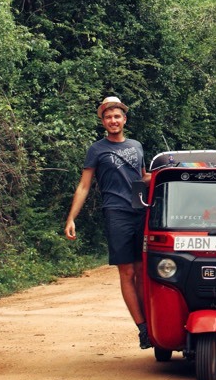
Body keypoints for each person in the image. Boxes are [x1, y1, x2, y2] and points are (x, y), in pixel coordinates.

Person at [64, 96, 152, 349]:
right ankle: (143, 328)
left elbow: (143, 177)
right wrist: (71, 218)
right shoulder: (97, 150)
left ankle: (154, 324)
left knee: (143, 272)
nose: (113, 121)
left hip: (140, 210)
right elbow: (84, 185)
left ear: (124, 119)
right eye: (108, 117)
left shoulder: (136, 146)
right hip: (117, 213)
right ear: (102, 121)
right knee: (127, 272)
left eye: (117, 116)